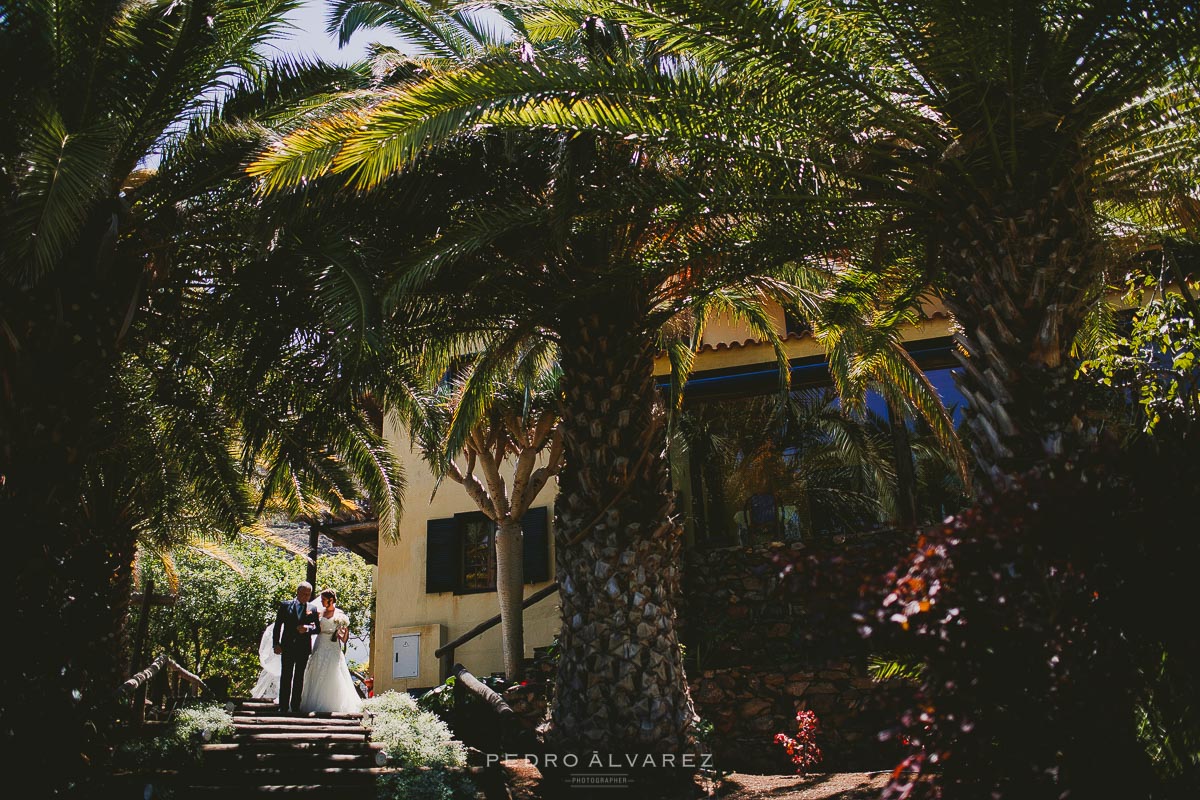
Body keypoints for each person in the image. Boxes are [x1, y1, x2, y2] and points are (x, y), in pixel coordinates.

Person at [297, 587, 362, 715]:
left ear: (330, 600)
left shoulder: (340, 615)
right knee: (316, 670)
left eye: (323, 600)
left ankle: (332, 703)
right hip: (320, 643)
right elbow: (313, 626)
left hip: (333, 646)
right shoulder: (319, 612)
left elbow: (343, 639)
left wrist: (344, 632)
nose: (321, 602)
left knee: (333, 672)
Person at [272, 581, 319, 714]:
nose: (306, 597)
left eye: (308, 594)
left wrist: (307, 628)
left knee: (299, 677)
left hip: (303, 648)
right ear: (297, 592)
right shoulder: (285, 605)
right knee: (286, 676)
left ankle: (296, 706)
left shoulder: (312, 608)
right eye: (304, 594)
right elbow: (277, 626)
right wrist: (276, 644)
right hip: (287, 646)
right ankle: (283, 706)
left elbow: (317, 628)